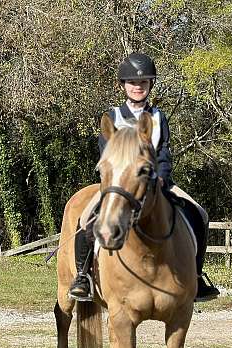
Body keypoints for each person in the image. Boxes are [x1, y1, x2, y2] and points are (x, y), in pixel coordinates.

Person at [68, 52, 220, 302]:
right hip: (118, 183)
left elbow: (163, 152)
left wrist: (161, 177)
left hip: (155, 183)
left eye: (143, 83)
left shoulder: (158, 117)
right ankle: (83, 275)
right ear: (123, 85)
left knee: (199, 214)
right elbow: (106, 153)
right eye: (132, 83)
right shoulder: (112, 116)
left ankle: (196, 276)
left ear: (150, 85)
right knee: (86, 218)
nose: (138, 87)